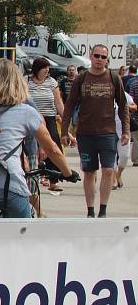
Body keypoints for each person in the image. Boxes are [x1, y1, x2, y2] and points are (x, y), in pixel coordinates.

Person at [0, 59, 78, 218]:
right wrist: (68, 173)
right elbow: (52, 149)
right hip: (8, 189)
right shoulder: (25, 110)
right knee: (25, 233)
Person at [61, 44, 129, 218]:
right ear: (90, 57)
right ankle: (90, 210)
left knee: (108, 170)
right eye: (96, 56)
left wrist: (126, 131)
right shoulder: (81, 78)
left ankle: (103, 210)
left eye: (103, 57)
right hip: (86, 134)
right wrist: (64, 132)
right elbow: (69, 106)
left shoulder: (114, 78)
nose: (99, 59)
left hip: (107, 133)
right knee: (89, 172)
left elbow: (123, 106)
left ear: (107, 60)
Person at [26, 57, 65, 193]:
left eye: (48, 68)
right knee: (33, 149)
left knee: (53, 146)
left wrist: (65, 118)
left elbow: (58, 103)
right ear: (37, 69)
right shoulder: (26, 81)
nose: (47, 70)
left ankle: (53, 180)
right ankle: (34, 178)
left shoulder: (51, 82)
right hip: (31, 119)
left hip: (49, 119)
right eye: (44, 68)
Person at [114, 91, 136, 189]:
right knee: (110, 158)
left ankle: (118, 174)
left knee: (124, 156)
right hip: (106, 130)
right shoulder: (102, 92)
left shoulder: (123, 94)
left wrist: (126, 106)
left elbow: (134, 106)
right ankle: (113, 179)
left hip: (123, 130)